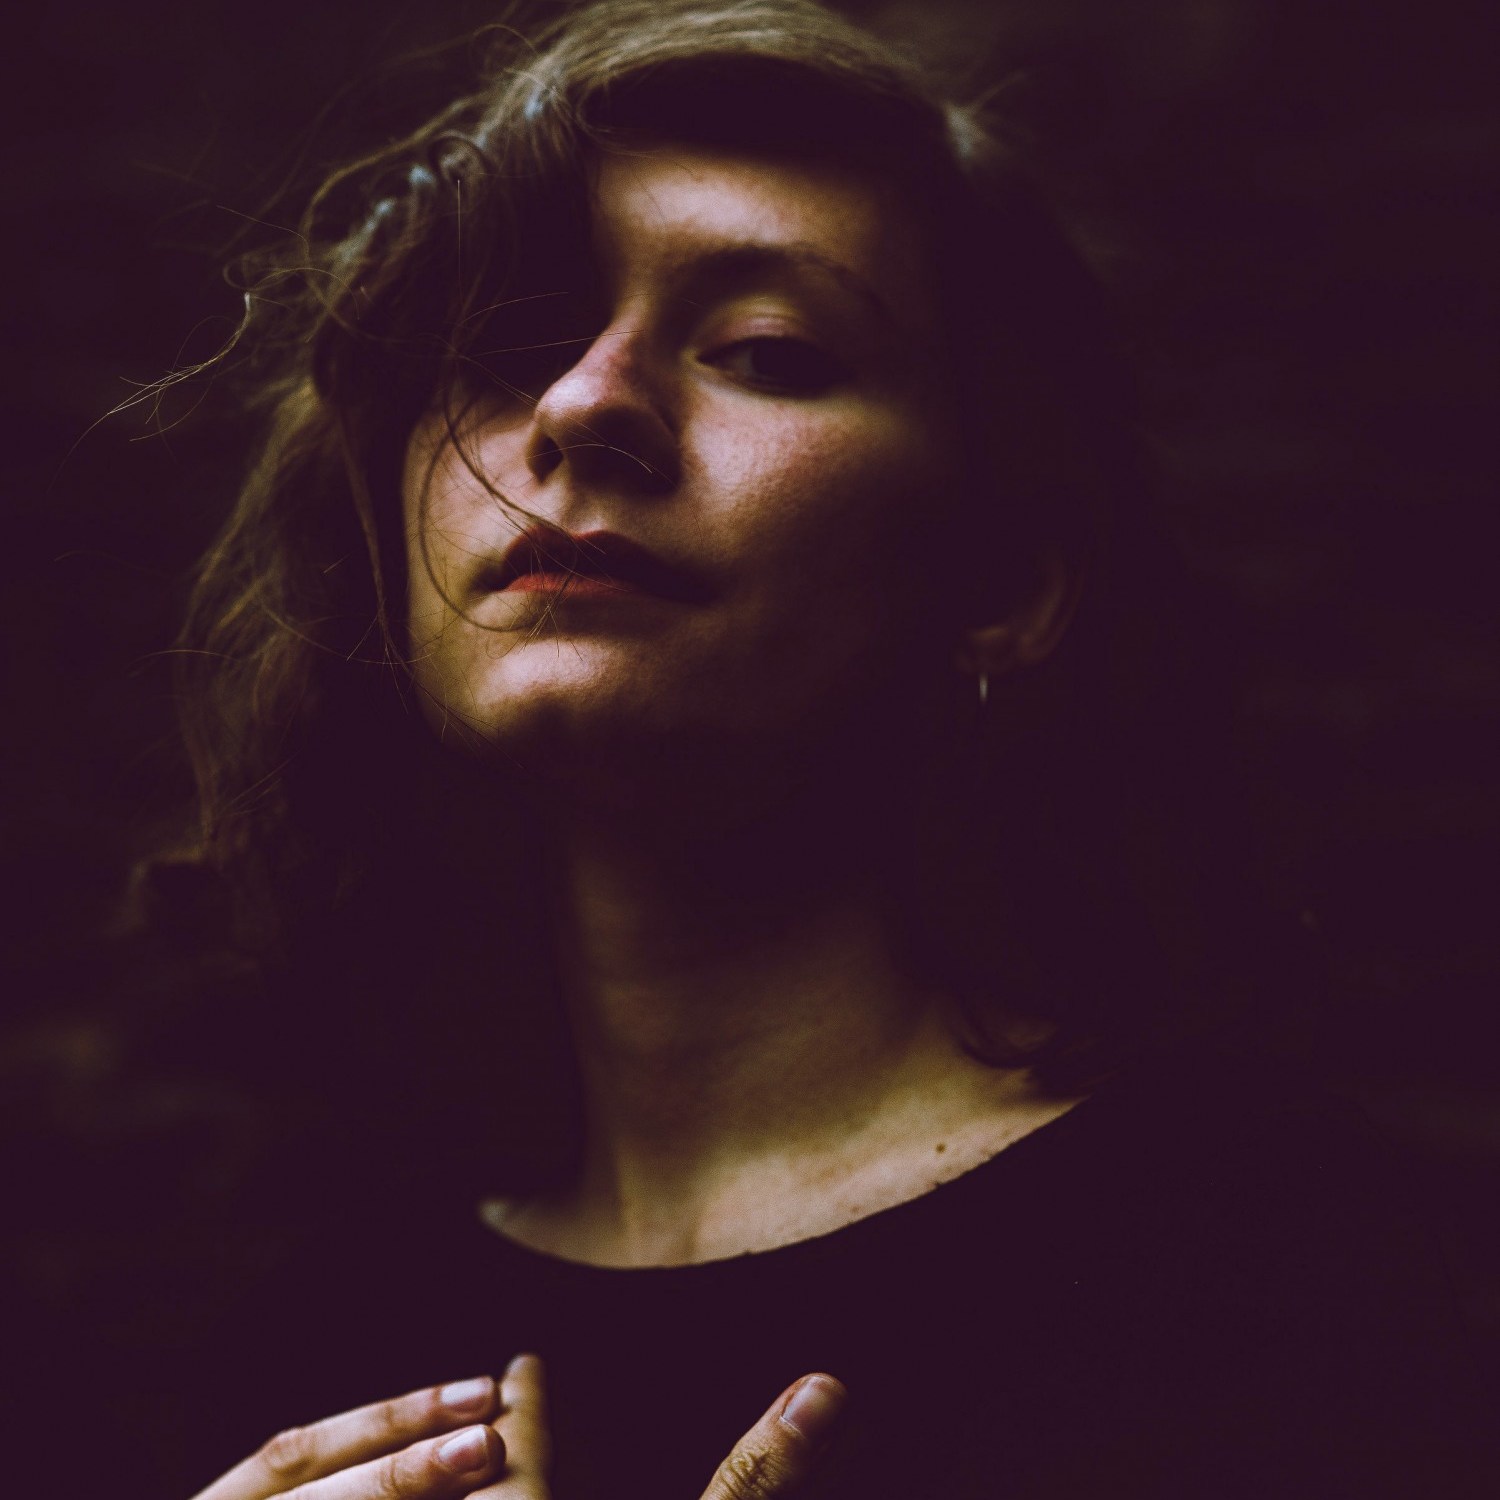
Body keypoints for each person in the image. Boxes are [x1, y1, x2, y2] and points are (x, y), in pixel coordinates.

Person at [95, 1, 1488, 1496]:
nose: (583, 404)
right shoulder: (300, 1354)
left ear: (997, 581)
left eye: (765, 350)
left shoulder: (1322, 1295)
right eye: (509, 345)